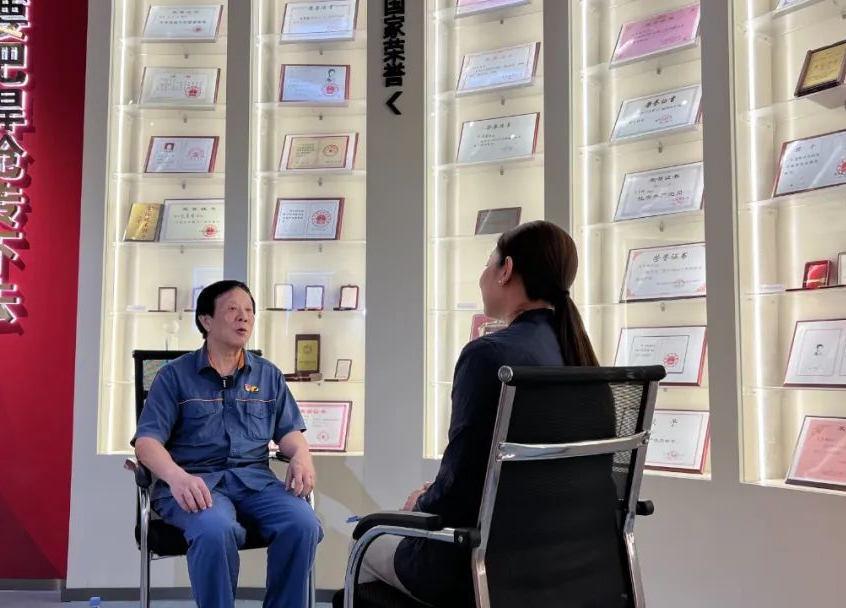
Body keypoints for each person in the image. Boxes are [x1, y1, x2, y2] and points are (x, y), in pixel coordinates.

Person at [358, 221, 601, 606]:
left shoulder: (488, 355)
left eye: (488, 264)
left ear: (506, 270)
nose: (483, 275)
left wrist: (421, 502)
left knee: (365, 545)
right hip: (566, 560)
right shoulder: (581, 358)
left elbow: (459, 488)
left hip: (477, 564)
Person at [133, 280, 322, 608]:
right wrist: (177, 477)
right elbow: (146, 442)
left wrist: (302, 455)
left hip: (255, 483)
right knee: (214, 529)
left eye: (249, 310)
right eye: (232, 309)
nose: (243, 317)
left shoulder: (268, 375)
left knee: (303, 523)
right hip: (195, 484)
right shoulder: (173, 376)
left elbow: (289, 431)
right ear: (206, 320)